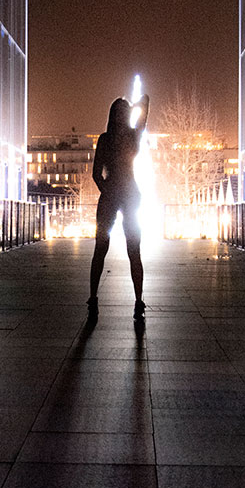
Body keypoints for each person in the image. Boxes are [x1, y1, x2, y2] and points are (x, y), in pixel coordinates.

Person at [88, 91, 150, 321]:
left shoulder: (106, 139)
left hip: (113, 195)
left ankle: (93, 299)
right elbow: (145, 108)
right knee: (132, 250)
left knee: (102, 248)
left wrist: (107, 190)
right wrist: (136, 105)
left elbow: (97, 174)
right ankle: (138, 302)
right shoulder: (133, 136)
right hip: (129, 195)